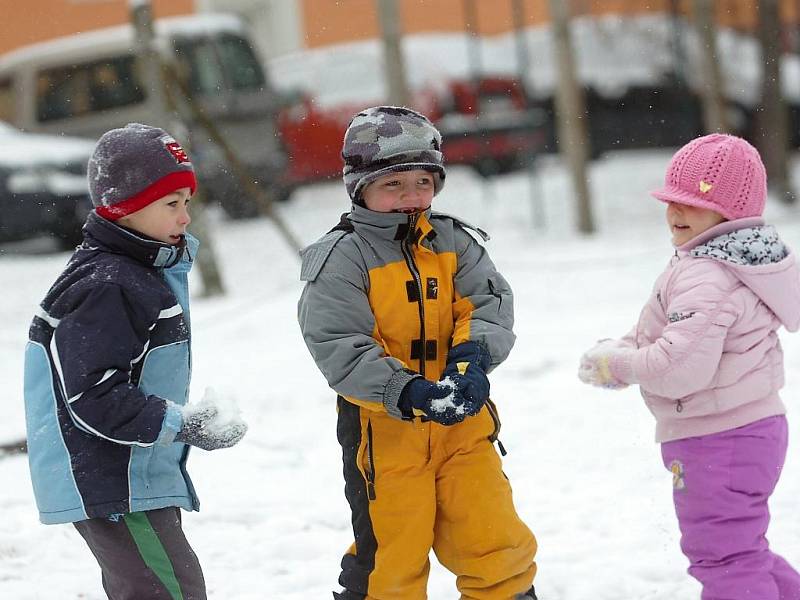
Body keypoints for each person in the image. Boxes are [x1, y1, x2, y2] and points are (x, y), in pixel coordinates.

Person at [298, 106, 538, 600]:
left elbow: (488, 303)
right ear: (359, 187)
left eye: (423, 182)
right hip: (384, 434)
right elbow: (340, 343)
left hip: (463, 425)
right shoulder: (342, 258)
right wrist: (405, 390)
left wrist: (470, 362)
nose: (412, 197)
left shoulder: (453, 242)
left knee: (493, 538)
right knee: (392, 558)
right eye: (394, 185)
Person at [23, 123, 247, 600]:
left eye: (187, 202)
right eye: (171, 204)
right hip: (110, 478)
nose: (186, 217)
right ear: (123, 206)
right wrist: (182, 424)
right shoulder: (108, 284)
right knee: (170, 591)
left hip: (129, 474)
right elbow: (94, 395)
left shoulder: (135, 272)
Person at [578, 133, 800, 599]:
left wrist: (616, 366)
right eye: (671, 201)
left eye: (693, 203)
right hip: (748, 430)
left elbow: (680, 367)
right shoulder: (734, 261)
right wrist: (623, 347)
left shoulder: (707, 273)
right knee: (742, 551)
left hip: (718, 439)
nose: (676, 213)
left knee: (724, 559)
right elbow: (681, 338)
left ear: (731, 213)